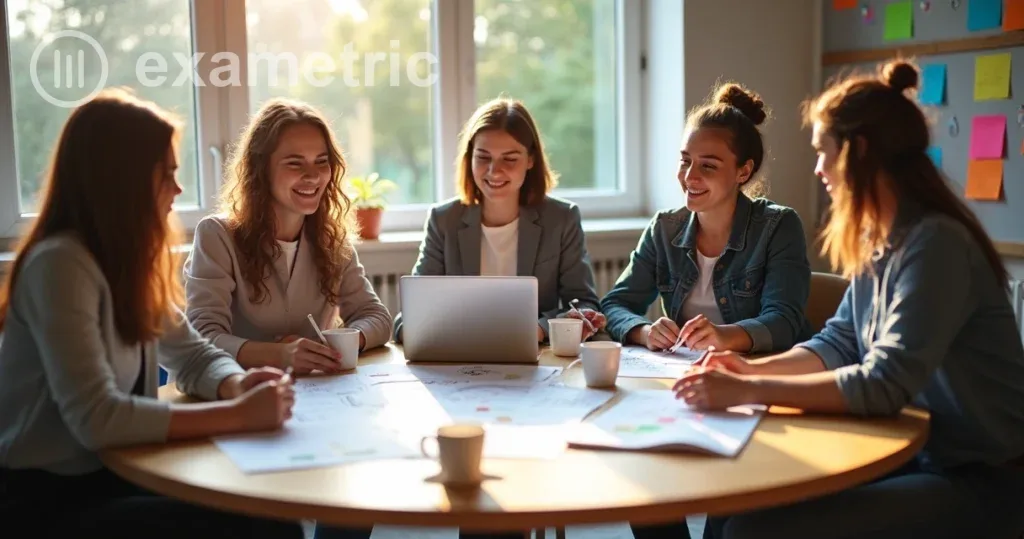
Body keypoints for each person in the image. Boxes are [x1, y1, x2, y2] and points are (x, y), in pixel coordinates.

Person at [678, 61, 1024, 539]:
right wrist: (749, 370)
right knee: (733, 503)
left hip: (979, 477)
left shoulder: (936, 244)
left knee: (752, 530)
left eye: (823, 152)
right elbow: (838, 343)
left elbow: (884, 382)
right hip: (912, 451)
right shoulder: (883, 239)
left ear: (857, 151)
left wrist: (749, 391)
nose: (818, 168)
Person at [0, 88, 301, 538]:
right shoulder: (60, 264)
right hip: (46, 498)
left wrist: (236, 381)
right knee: (266, 527)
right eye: (166, 175)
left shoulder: (124, 260)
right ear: (120, 180)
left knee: (269, 513)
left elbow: (193, 354)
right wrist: (240, 414)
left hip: (114, 470)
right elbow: (97, 419)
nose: (178, 190)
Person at [184, 97, 393, 377]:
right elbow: (202, 336)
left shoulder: (332, 239)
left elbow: (378, 319)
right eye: (295, 164)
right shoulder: (217, 236)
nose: (313, 176)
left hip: (314, 394)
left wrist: (326, 345)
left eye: (322, 161)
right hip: (238, 390)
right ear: (261, 170)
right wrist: (279, 355)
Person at [601, 83, 812, 356]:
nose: (689, 177)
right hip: (689, 373)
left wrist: (723, 336)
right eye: (685, 160)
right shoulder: (664, 229)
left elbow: (784, 322)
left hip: (761, 374)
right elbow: (615, 304)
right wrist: (645, 332)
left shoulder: (779, 226)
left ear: (743, 171)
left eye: (708, 165)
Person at [392, 96, 606, 345]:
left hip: (534, 355)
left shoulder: (561, 218)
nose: (494, 171)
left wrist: (538, 330)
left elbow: (584, 305)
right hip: (459, 355)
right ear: (469, 158)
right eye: (483, 157)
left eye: (510, 159)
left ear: (530, 160)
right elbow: (409, 315)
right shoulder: (444, 220)